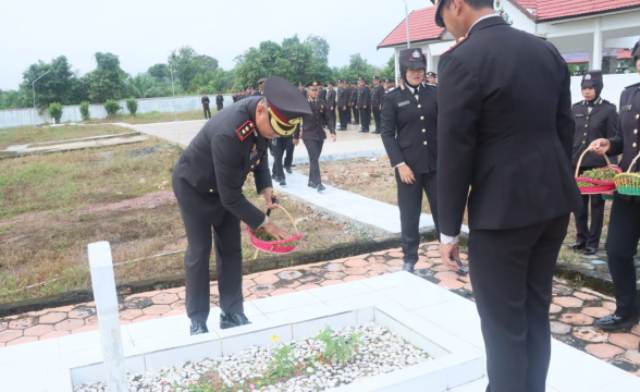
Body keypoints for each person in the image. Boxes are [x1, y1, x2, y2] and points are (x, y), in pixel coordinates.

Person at [432, 0, 581, 391]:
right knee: (534, 312)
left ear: (458, 5)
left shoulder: (462, 61)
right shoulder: (545, 49)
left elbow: (454, 150)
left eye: (441, 11)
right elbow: (564, 128)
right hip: (552, 203)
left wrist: (447, 230)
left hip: (502, 213)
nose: (443, 22)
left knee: (503, 327)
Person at [172, 76, 311, 335]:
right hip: (194, 187)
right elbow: (231, 198)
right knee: (200, 252)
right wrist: (265, 223)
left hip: (226, 189)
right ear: (262, 110)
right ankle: (198, 318)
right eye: (273, 130)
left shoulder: (264, 118)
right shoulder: (229, 131)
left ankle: (232, 312)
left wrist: (265, 187)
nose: (273, 136)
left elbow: (260, 155)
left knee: (231, 250)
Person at [589, 39, 640, 332]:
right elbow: (624, 140)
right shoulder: (629, 94)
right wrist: (609, 143)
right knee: (617, 251)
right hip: (629, 186)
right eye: (638, 58)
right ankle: (626, 311)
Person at [380, 48, 439, 274]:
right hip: (408, 168)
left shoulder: (435, 93)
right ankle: (410, 257)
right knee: (409, 213)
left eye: (421, 69)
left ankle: (450, 253)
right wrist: (400, 164)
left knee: (443, 212)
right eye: (413, 70)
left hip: (435, 165)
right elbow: (387, 133)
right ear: (404, 71)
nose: (417, 73)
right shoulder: (392, 97)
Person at [570, 71, 618, 255]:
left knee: (597, 206)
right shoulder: (575, 109)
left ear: (598, 88)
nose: (587, 92)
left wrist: (610, 168)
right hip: (578, 164)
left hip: (598, 167)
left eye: (590, 88)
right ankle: (581, 239)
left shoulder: (609, 109)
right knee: (578, 204)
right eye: (584, 88)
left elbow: (614, 138)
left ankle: (592, 242)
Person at [297, 81, 336, 193]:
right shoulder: (303, 104)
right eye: (313, 90)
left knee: (314, 159)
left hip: (319, 135)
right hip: (308, 135)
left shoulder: (322, 103)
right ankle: (318, 183)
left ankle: (311, 181)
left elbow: (329, 118)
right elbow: (296, 120)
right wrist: (295, 136)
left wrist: (332, 131)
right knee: (314, 157)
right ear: (308, 91)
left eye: (317, 89)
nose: (316, 92)